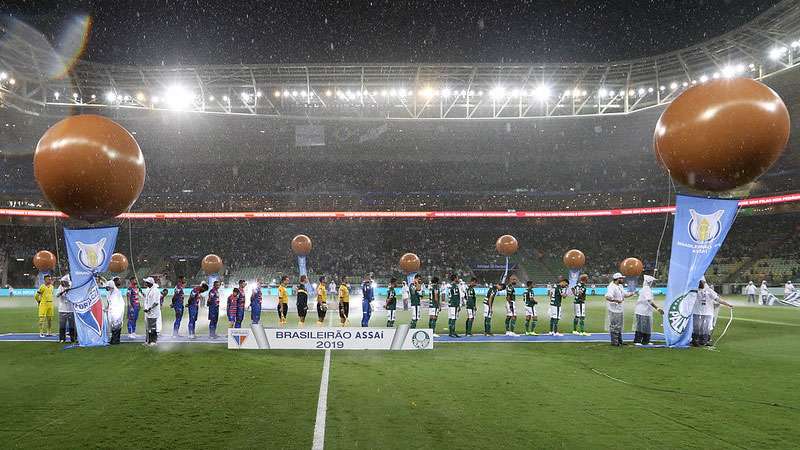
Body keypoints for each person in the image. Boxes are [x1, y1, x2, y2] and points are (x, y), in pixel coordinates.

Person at [692, 278, 733, 347]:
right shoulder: (694, 291)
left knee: (706, 327)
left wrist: (728, 304)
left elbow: (718, 299)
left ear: (705, 283)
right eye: (700, 282)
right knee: (697, 327)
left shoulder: (709, 291)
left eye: (702, 282)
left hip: (708, 312)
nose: (701, 283)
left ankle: (704, 341)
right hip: (697, 312)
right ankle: (695, 340)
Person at [605, 273, 634, 346]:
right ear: (617, 279)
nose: (623, 279)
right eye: (621, 278)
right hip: (614, 310)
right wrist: (616, 300)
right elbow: (608, 297)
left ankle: (619, 341)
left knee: (619, 326)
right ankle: (615, 342)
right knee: (615, 326)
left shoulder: (620, 286)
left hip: (619, 309)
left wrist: (632, 293)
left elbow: (625, 294)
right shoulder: (611, 287)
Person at [633, 275, 663, 345]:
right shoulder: (646, 289)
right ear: (650, 282)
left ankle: (646, 340)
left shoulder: (645, 289)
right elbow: (649, 300)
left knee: (647, 326)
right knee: (641, 326)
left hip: (646, 311)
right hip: (642, 311)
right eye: (653, 282)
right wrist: (657, 308)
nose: (654, 283)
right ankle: (637, 340)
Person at [56, 275, 76, 343]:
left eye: (63, 282)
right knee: (62, 325)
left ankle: (73, 338)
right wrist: (63, 292)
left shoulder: (72, 286)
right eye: (62, 282)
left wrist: (69, 291)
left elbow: (75, 296)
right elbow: (57, 295)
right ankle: (62, 339)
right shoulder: (60, 287)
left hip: (71, 309)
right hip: (62, 309)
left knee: (72, 325)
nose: (62, 283)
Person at [105, 277, 125, 345]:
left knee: (117, 325)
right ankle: (114, 339)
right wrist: (107, 308)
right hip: (112, 310)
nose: (107, 289)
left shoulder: (116, 292)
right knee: (113, 325)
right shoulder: (109, 293)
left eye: (108, 287)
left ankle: (116, 340)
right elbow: (109, 302)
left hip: (117, 310)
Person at [142, 277, 161, 346]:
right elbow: (147, 300)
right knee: (149, 327)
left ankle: (154, 341)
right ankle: (149, 341)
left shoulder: (155, 291)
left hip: (153, 312)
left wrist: (149, 308)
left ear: (150, 283)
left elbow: (156, 303)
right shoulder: (149, 290)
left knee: (153, 326)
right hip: (149, 312)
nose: (146, 284)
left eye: (147, 282)